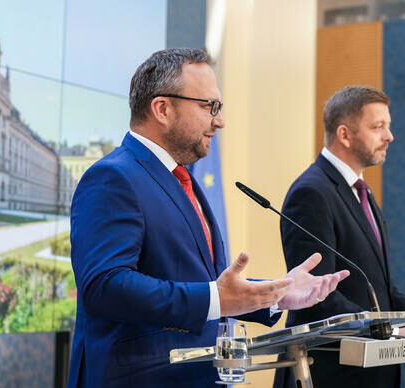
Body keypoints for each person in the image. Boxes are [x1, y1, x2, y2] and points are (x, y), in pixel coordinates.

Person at [67, 48, 349, 388]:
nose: (220, 120)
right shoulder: (114, 177)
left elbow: (202, 280)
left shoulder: (181, 178)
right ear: (162, 109)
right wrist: (215, 298)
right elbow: (105, 285)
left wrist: (276, 293)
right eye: (208, 107)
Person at [273, 85, 405, 388]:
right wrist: (395, 330)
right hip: (330, 371)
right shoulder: (311, 193)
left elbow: (382, 289)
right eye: (378, 127)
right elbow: (317, 296)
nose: (389, 136)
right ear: (345, 135)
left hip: (372, 369)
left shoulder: (361, 192)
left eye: (388, 126)